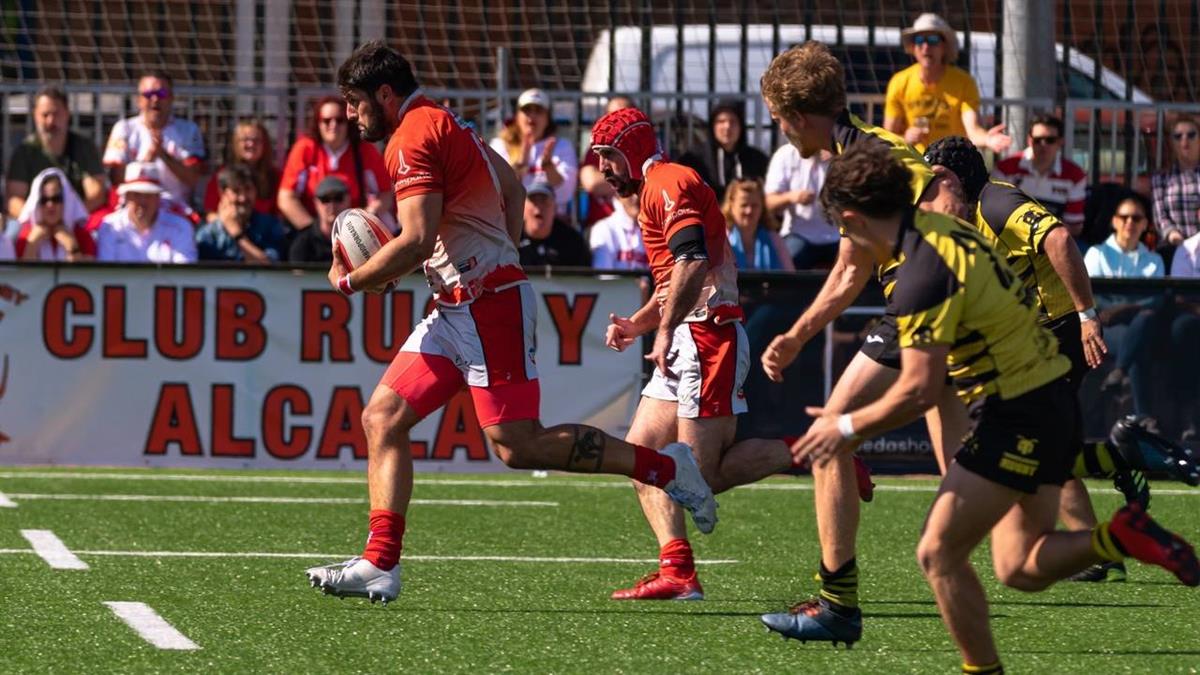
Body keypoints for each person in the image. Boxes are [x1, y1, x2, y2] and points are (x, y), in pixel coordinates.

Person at [303, 42, 718, 605]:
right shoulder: (452, 121)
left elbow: (418, 238)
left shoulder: (410, 137)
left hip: (486, 306)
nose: (351, 116)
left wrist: (353, 280)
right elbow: (513, 189)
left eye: (354, 103)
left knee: (518, 446)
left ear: (384, 94)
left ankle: (663, 465)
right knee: (383, 416)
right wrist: (497, 255)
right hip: (459, 304)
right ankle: (380, 562)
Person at [787, 140, 1198, 672]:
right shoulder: (946, 236)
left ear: (852, 220)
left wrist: (843, 425)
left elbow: (918, 388)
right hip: (1040, 396)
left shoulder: (921, 271)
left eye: (845, 234)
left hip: (1017, 407)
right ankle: (1119, 533)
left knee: (938, 553)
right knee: (1018, 566)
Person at [755, 40, 961, 644]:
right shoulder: (870, 144)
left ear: (795, 118)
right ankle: (1107, 519)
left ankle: (837, 603)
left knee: (830, 433)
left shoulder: (857, 165)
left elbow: (850, 270)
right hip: (958, 299)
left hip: (924, 302)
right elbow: (944, 192)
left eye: (777, 119)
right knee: (969, 471)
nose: (779, 131)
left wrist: (793, 337)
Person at [922, 136, 1199, 584]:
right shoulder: (967, 214)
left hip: (1059, 330)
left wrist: (1087, 316)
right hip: (1037, 335)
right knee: (1046, 443)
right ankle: (1116, 479)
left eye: (930, 181)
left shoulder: (995, 200)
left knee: (1030, 442)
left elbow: (1058, 237)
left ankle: (1109, 506)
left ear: (950, 178)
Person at [592, 106, 795, 601]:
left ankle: (816, 448)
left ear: (634, 149)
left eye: (608, 155)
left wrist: (660, 332)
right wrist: (639, 324)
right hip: (687, 334)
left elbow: (692, 262)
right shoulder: (654, 190)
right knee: (643, 458)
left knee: (700, 474)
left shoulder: (670, 181)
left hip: (709, 335)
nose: (602, 167)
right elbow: (672, 282)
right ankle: (677, 569)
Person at [883, 13, 1010, 154]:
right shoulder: (899, 82)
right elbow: (888, 136)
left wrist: (988, 139)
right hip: (915, 163)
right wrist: (906, 138)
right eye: (919, 40)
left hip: (952, 162)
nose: (925, 46)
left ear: (944, 46)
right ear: (913, 47)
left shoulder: (963, 82)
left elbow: (972, 130)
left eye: (932, 40)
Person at [1084, 195, 1165, 418]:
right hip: (1107, 328)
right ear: (1114, 221)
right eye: (1124, 217)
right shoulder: (1096, 254)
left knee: (1144, 322)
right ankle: (1144, 418)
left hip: (1136, 327)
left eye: (1136, 217)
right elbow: (1093, 299)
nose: (1130, 222)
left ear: (1145, 224)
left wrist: (1118, 309)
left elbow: (1154, 301)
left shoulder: (1154, 260)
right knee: (1139, 342)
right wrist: (1131, 307)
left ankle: (1119, 372)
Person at [278, 95, 394, 232]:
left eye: (339, 120)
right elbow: (286, 198)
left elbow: (386, 193)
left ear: (348, 123)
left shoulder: (364, 150)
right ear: (318, 123)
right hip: (314, 229)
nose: (333, 125)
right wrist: (313, 231)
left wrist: (366, 216)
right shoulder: (305, 149)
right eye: (326, 121)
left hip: (355, 230)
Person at [103, 70, 206, 205]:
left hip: (175, 207)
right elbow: (117, 179)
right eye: (149, 94)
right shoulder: (124, 129)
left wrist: (163, 156)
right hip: (132, 207)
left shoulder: (188, 130)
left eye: (161, 94)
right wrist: (147, 160)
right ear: (139, 100)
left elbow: (193, 180)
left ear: (171, 98)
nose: (155, 99)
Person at [5, 86, 106, 219]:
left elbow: (96, 194)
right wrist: (39, 222)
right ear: (35, 115)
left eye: (56, 114)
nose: (50, 121)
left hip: (77, 220)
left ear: (67, 114)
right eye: (45, 115)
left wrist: (70, 218)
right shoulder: (24, 151)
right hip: (34, 222)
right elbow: (14, 200)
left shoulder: (84, 147)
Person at [991, 115, 1088, 238]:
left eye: (1050, 140)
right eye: (1038, 140)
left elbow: (1074, 226)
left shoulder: (1074, 176)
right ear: (1029, 141)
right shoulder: (1005, 169)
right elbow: (995, 213)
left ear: (1060, 142)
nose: (1043, 145)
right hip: (1011, 238)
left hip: (1052, 242)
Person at [490, 88, 579, 217]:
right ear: (517, 116)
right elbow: (495, 191)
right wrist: (520, 165)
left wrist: (548, 166)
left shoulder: (561, 146)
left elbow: (565, 194)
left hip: (551, 221)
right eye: (527, 110)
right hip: (509, 219)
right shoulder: (500, 145)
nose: (532, 116)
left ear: (548, 118)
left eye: (538, 111)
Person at [95, 163, 197, 263]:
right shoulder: (110, 227)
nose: (142, 201)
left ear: (158, 198)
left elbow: (184, 274)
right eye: (136, 195)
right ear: (126, 197)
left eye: (148, 195)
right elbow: (107, 274)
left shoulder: (180, 227)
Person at [678, 100, 770, 202]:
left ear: (741, 126)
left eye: (733, 121)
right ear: (713, 126)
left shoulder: (756, 159)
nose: (727, 127)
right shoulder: (693, 160)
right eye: (721, 121)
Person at [764, 144, 838, 269]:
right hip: (799, 234)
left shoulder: (839, 153)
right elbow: (768, 202)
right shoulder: (785, 154)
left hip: (836, 236)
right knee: (782, 267)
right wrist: (791, 197)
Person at [195, 164, 288, 263]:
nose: (243, 198)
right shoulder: (209, 234)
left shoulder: (270, 226)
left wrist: (238, 236)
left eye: (248, 189)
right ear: (223, 194)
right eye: (236, 191)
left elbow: (270, 268)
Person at [203, 119, 280, 220]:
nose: (250, 144)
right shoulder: (223, 175)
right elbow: (211, 213)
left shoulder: (275, 176)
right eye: (245, 140)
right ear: (236, 144)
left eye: (256, 140)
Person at [14, 169, 94, 261]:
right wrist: (32, 245)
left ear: (67, 201)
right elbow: (23, 274)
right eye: (44, 200)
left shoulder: (82, 234)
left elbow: (86, 274)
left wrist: (72, 246)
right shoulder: (26, 236)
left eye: (56, 199)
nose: (50, 205)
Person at [579, 96, 635, 227]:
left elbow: (654, 186)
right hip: (602, 230)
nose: (618, 122)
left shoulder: (648, 148)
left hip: (640, 230)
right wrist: (634, 183)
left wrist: (611, 182)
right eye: (612, 116)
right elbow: (592, 182)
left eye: (624, 115)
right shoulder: (597, 149)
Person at [722, 177, 793, 271]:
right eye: (744, 205)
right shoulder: (721, 239)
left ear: (762, 207)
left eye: (754, 205)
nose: (749, 211)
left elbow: (790, 276)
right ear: (731, 205)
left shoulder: (774, 240)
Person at [1151, 116, 1200, 247]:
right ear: (1172, 143)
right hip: (1174, 246)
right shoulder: (1161, 177)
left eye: (1191, 135)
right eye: (1178, 136)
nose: (1184, 140)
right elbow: (1160, 215)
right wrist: (1173, 236)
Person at [518, 181, 591, 267]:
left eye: (544, 201)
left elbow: (582, 278)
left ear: (555, 208)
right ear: (522, 207)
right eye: (533, 201)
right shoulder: (510, 238)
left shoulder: (572, 242)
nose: (538, 207)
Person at [288, 176, 348, 264]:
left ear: (348, 199)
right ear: (316, 203)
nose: (332, 205)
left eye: (338, 198)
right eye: (325, 199)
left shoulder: (359, 238)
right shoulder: (303, 243)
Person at [588, 192, 648, 270]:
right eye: (631, 192)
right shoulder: (604, 229)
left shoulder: (658, 229)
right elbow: (603, 277)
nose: (636, 198)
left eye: (639, 191)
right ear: (618, 193)